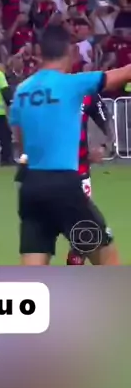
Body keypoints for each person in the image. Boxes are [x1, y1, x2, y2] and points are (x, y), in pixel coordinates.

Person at [10, 24, 131, 266]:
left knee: (33, 270)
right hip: (63, 187)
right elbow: (125, 73)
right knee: (108, 259)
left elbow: (21, 142)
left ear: (40, 52)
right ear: (71, 52)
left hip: (30, 188)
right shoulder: (72, 84)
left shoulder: (22, 91)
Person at [67, 93, 115, 265]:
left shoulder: (88, 93)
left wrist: (104, 145)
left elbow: (106, 120)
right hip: (50, 172)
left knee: (84, 228)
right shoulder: (46, 90)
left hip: (80, 171)